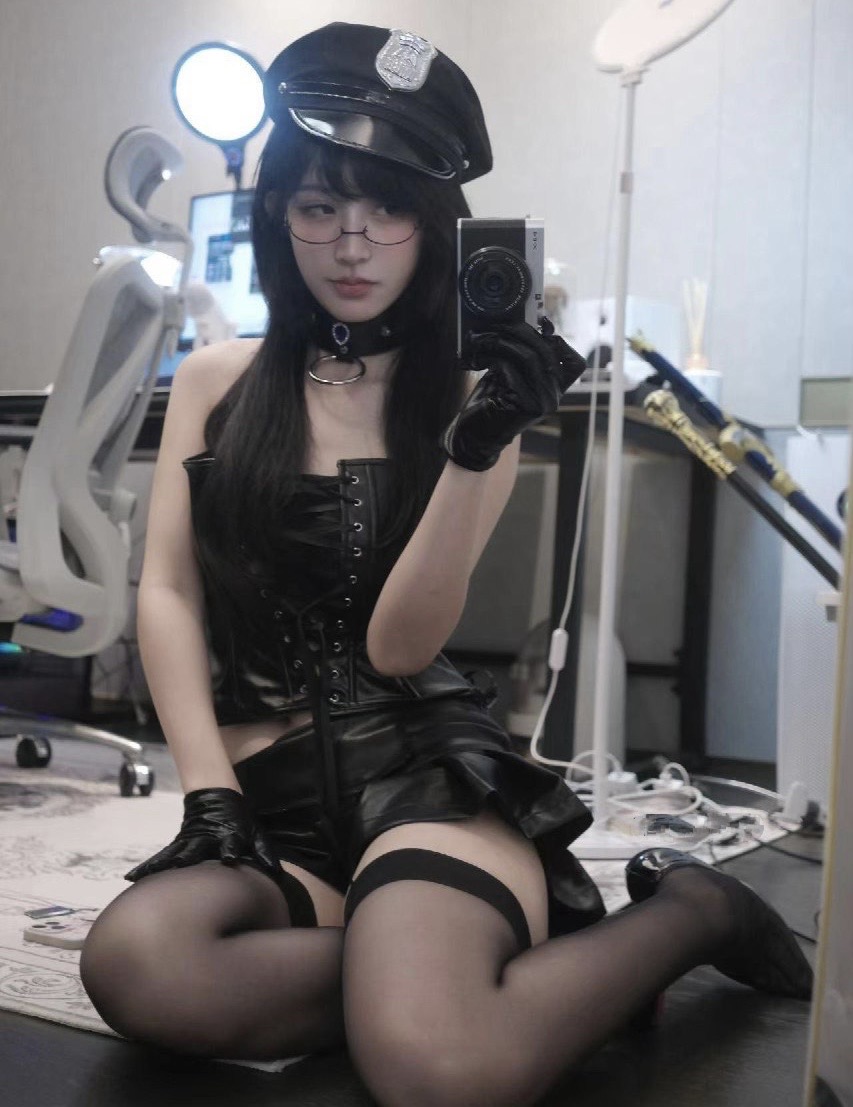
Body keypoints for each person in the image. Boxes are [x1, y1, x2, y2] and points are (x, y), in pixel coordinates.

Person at [80, 22, 812, 1107]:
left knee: (436, 1069)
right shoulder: (217, 380)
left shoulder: (475, 397)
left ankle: (693, 913)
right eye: (319, 208)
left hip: (422, 781)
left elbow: (399, 646)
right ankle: (452, 973)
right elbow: (171, 589)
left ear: (434, 227)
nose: (352, 244)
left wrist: (473, 450)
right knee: (137, 964)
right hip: (270, 803)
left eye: (388, 211)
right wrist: (208, 791)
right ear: (278, 216)